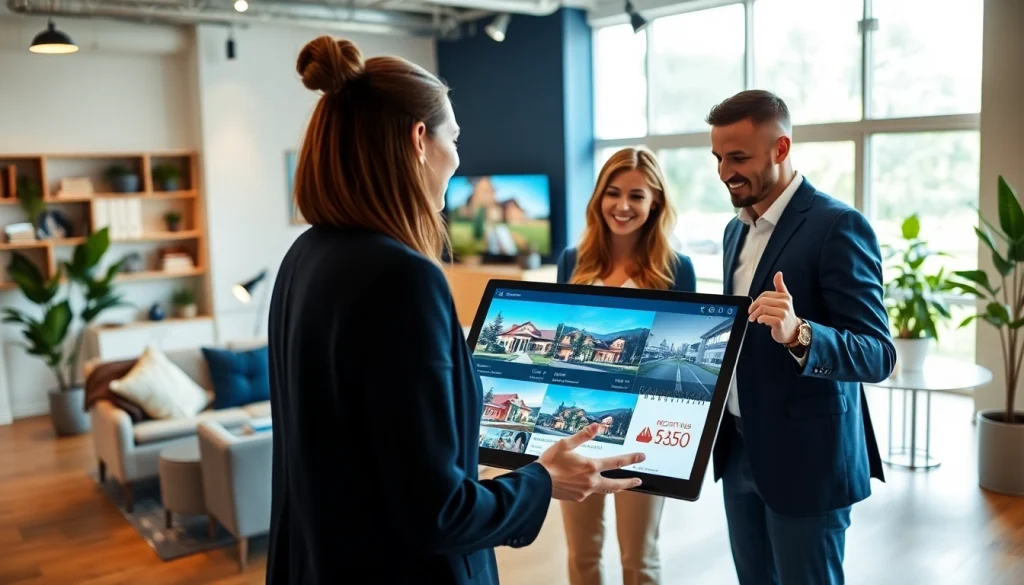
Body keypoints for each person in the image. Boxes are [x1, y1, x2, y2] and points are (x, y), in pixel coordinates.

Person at [266, 36, 648, 585]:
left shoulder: (304, 257)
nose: (459, 158)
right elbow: (438, 513)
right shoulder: (402, 279)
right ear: (419, 139)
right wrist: (543, 479)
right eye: (456, 138)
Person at [706, 89, 895, 585]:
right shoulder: (735, 230)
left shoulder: (839, 226)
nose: (725, 171)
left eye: (739, 157)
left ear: (781, 149)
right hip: (739, 448)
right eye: (719, 157)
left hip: (808, 460)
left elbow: (879, 355)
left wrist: (800, 334)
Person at [555, 147, 697, 585]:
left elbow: (684, 357)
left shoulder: (677, 269)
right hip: (580, 432)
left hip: (645, 435)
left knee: (640, 559)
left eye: (637, 196)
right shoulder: (572, 262)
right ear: (598, 198)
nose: (622, 206)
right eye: (612, 193)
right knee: (582, 555)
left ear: (655, 202)